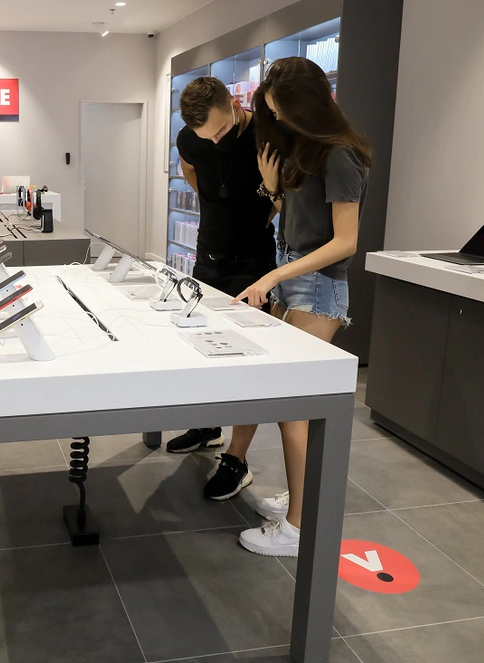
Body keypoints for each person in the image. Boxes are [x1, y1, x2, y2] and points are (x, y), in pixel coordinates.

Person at [231, 56, 371, 556]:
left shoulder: (340, 155)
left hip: (317, 286)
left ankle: (299, 528)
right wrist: (272, 189)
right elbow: (294, 215)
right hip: (296, 277)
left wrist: (273, 275)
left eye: (284, 111)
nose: (279, 120)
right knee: (294, 403)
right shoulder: (308, 149)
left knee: (294, 406)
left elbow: (345, 242)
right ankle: (303, 502)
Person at [166, 78, 277, 506]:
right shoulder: (190, 139)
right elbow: (189, 168)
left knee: (248, 360)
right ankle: (207, 425)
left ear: (235, 104)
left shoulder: (265, 136)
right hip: (207, 255)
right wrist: (214, 200)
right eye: (203, 136)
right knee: (200, 346)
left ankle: (237, 458)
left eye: (218, 131)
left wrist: (263, 201)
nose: (212, 141)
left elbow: (288, 197)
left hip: (253, 263)